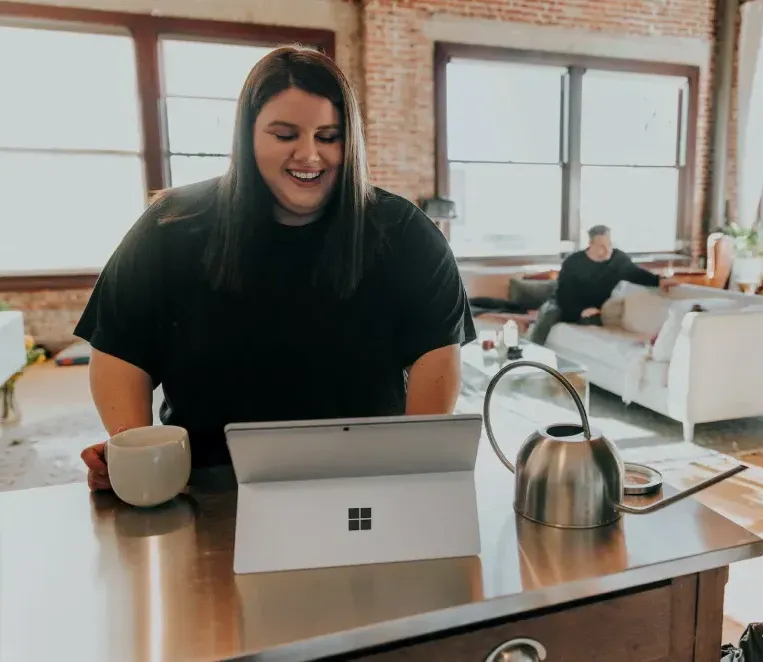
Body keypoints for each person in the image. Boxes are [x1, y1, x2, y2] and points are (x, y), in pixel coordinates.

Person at [77, 46, 476, 491]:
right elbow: (120, 351)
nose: (309, 155)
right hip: (208, 485)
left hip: (363, 485)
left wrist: (413, 468)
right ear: (247, 137)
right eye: (285, 135)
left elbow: (436, 357)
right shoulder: (172, 225)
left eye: (329, 136)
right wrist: (135, 453)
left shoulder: (404, 233)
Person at [555, 225, 673, 325]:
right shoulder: (573, 263)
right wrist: (580, 311)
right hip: (581, 312)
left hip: (609, 311)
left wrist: (660, 280)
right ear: (590, 244)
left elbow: (637, 274)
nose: (607, 250)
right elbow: (564, 296)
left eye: (609, 245)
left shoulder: (618, 259)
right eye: (601, 246)